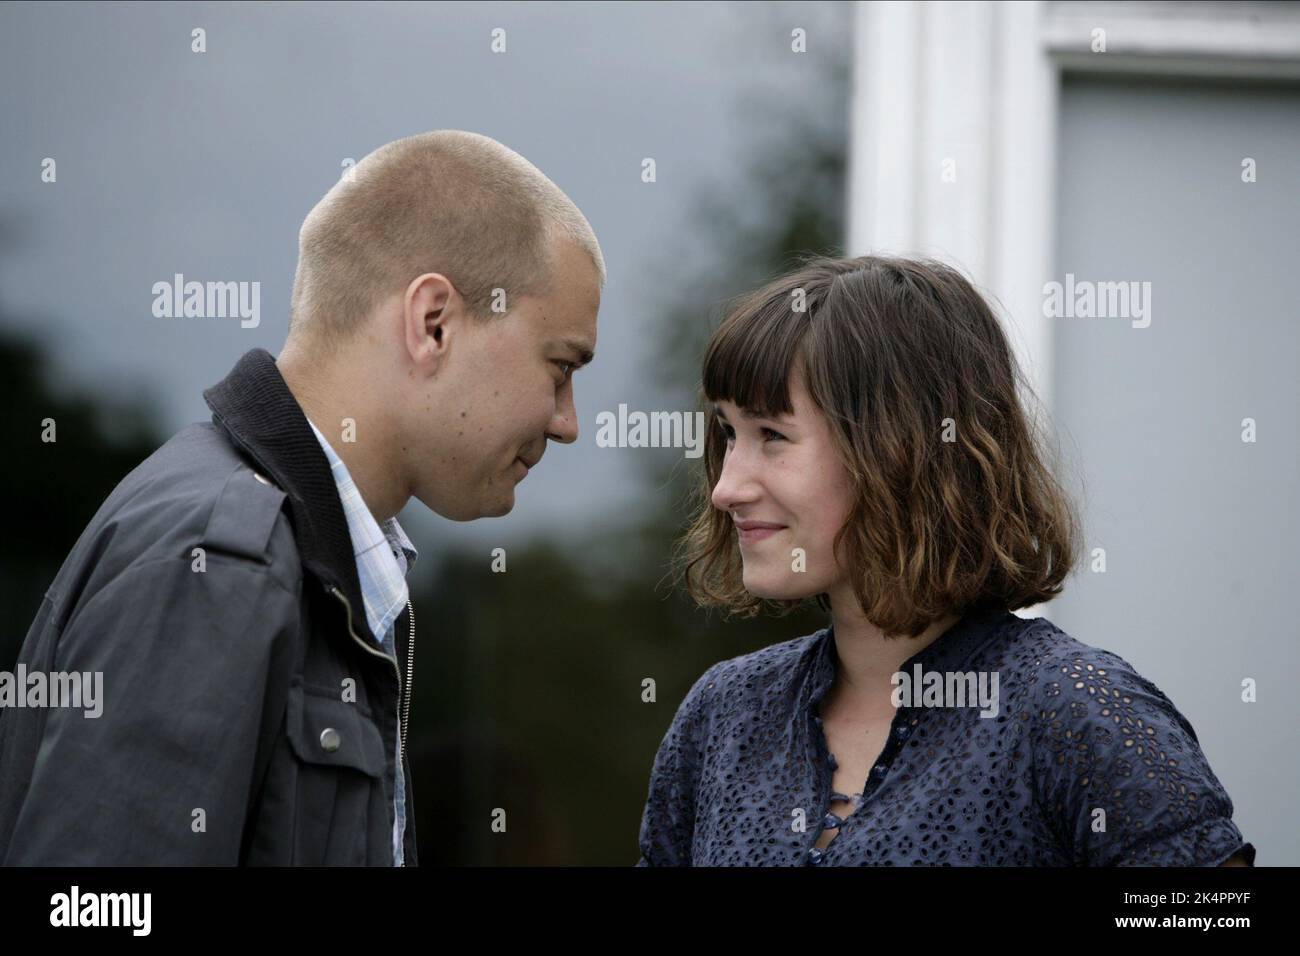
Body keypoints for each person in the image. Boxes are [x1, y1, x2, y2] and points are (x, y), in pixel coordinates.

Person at [0, 130, 603, 865]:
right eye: (561, 365)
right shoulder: (220, 560)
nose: (568, 421)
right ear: (433, 323)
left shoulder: (306, 561)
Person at [637, 254, 1254, 867]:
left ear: (899, 448)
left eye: (772, 435)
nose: (727, 487)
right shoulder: (726, 714)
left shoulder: (1073, 710)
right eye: (727, 434)